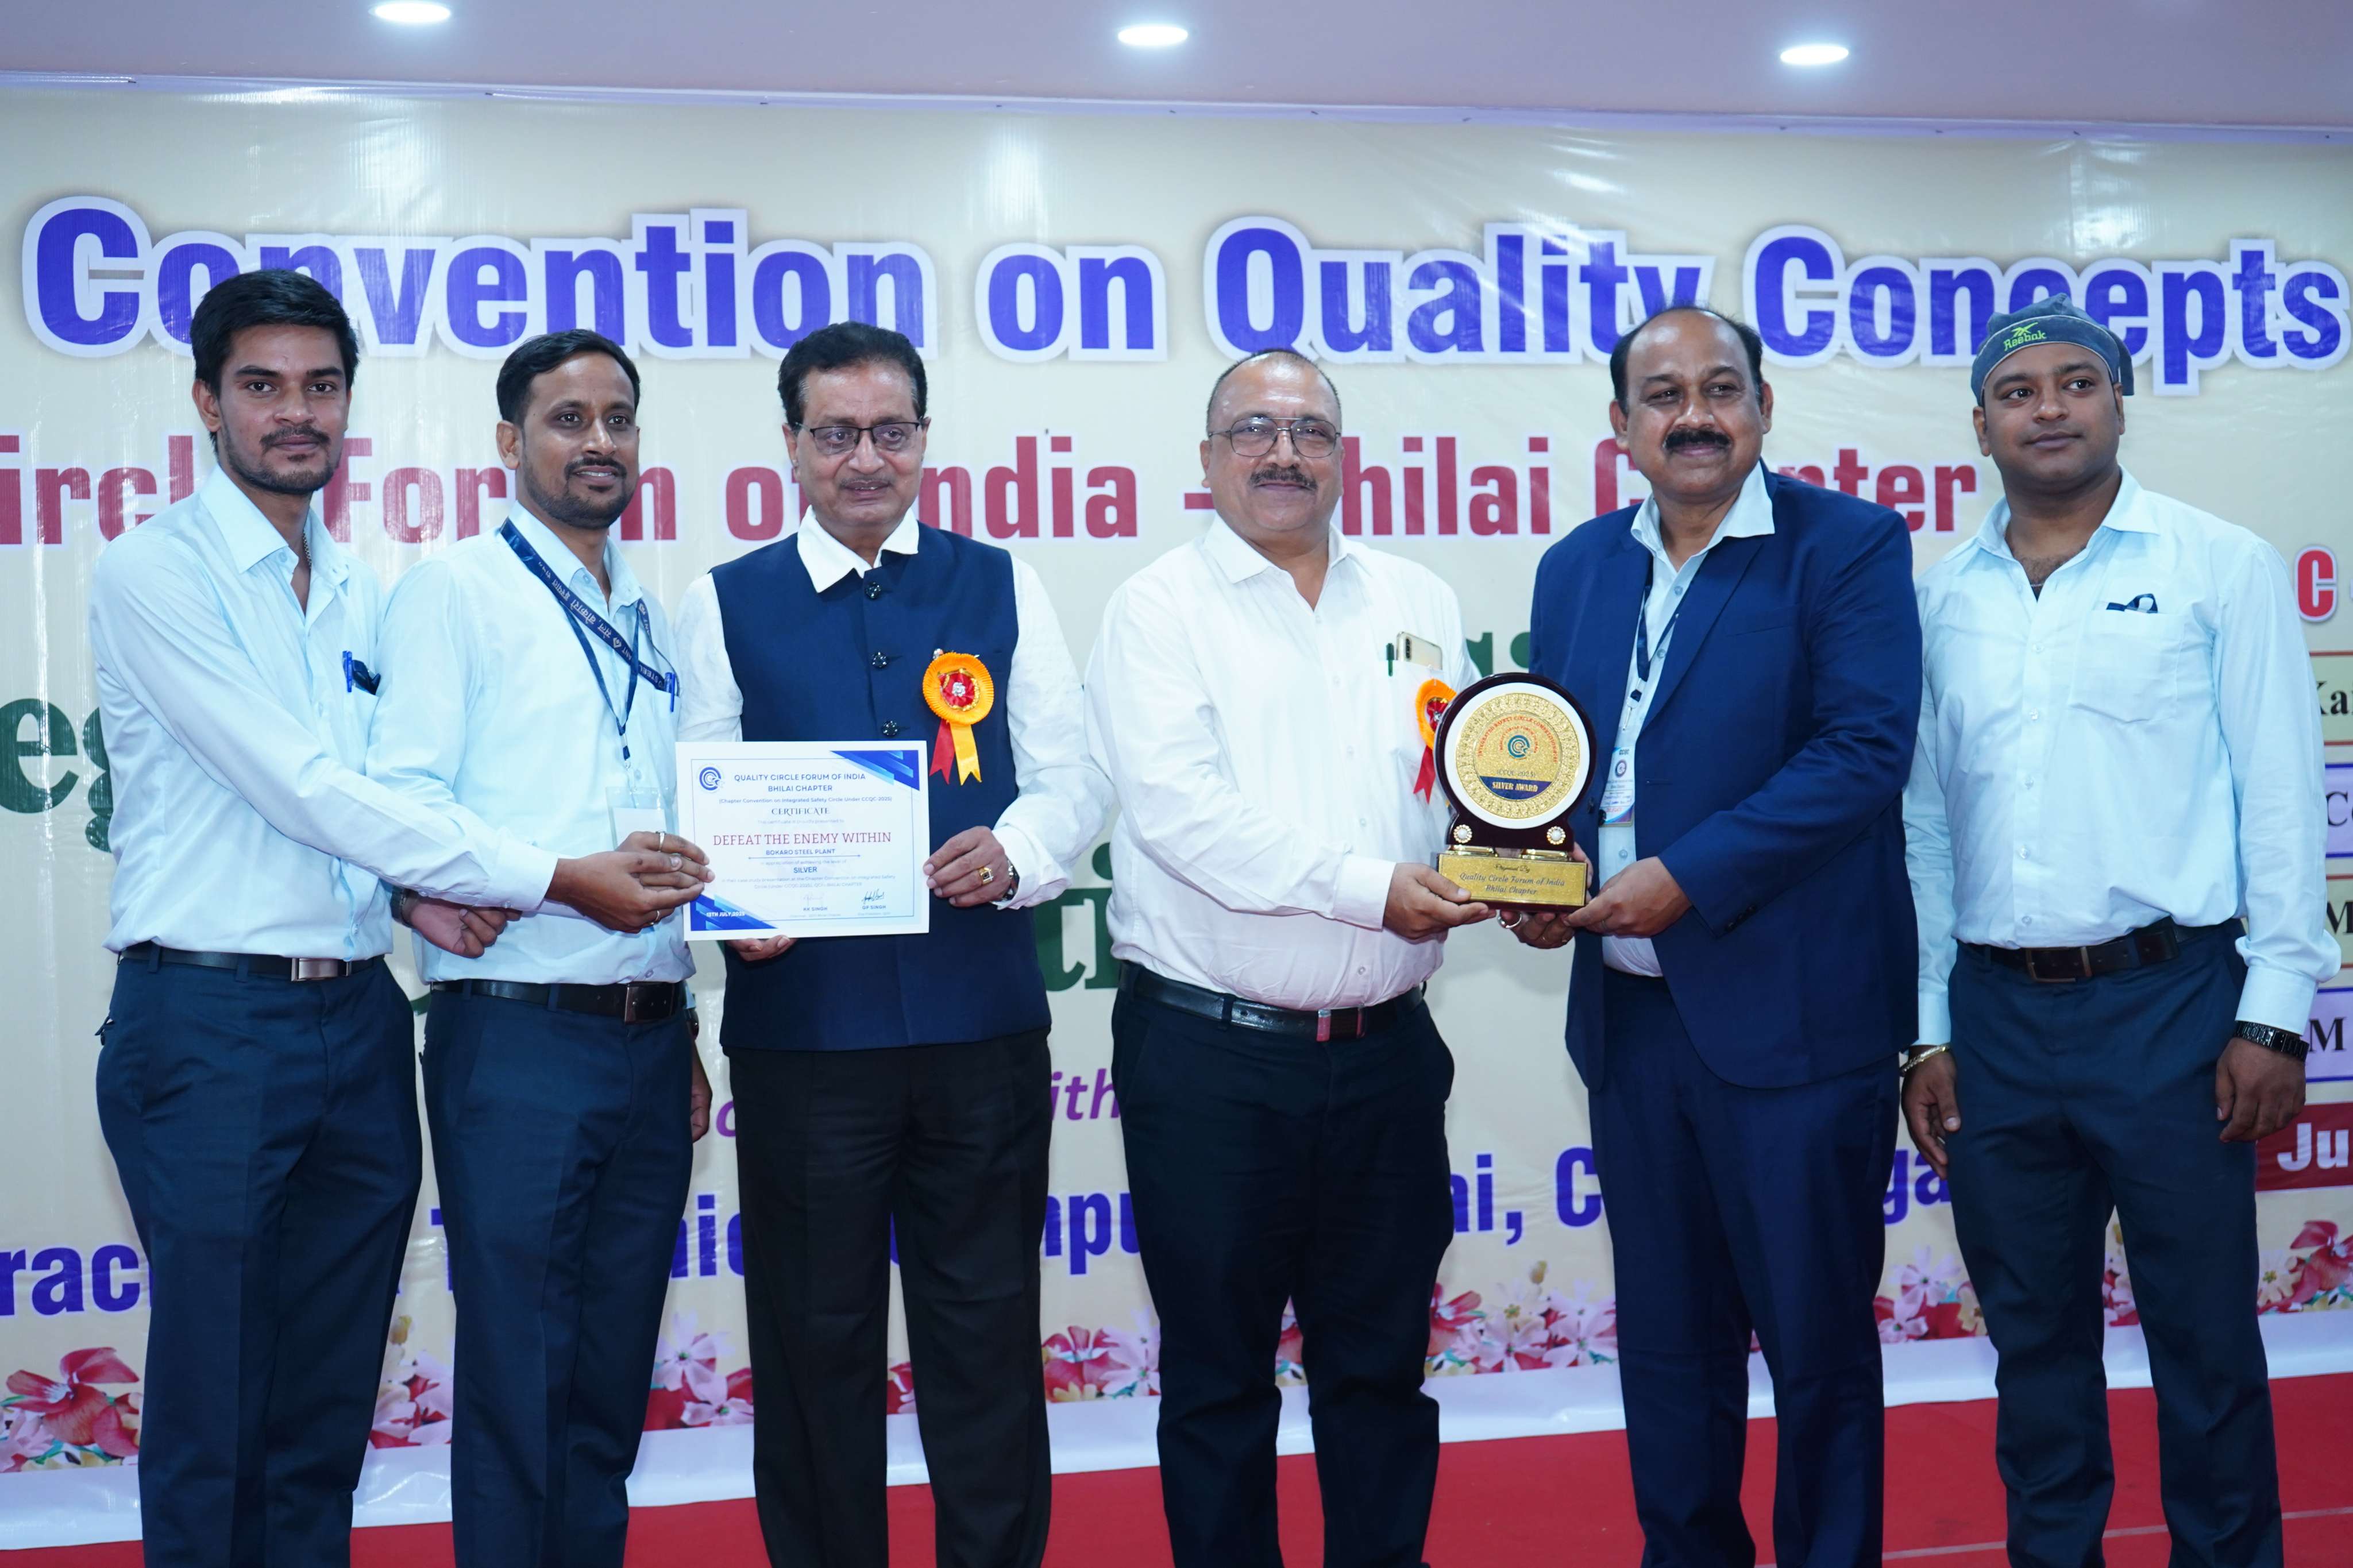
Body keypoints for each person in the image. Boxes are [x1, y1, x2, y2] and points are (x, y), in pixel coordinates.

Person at [87, 275, 703, 1568]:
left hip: (359, 1015)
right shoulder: (156, 570)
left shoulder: (364, 590)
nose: (295, 413)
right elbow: (302, 787)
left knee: (323, 1405)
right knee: (216, 1399)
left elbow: (377, 807)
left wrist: (419, 892)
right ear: (206, 400)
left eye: (321, 387)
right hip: (208, 1014)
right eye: (262, 386)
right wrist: (551, 877)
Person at [671, 320, 1110, 1568]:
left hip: (981, 1032)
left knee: (986, 1339)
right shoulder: (724, 599)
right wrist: (737, 901)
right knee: (813, 1347)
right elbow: (696, 788)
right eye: (836, 434)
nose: (865, 459)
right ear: (791, 445)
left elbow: (1074, 777)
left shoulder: (1000, 581)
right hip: (807, 1041)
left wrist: (1015, 852)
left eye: (890, 432)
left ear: (923, 438)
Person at [1901, 295, 2332, 1567]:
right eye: (2018, 390)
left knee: (2205, 1343)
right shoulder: (1936, 599)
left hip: (2172, 1009)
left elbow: (2279, 798)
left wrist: (2272, 1015)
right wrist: (1925, 1032)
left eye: (2076, 382)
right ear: (1978, 424)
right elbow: (1923, 831)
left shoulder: (2219, 566)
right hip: (1993, 1023)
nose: (2049, 408)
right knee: (2033, 1348)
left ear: (2118, 404)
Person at [1507, 306, 1921, 1568]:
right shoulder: (1576, 567)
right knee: (1669, 1352)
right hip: (1632, 1024)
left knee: (1816, 1354)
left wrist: (1683, 876)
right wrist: (1540, 879)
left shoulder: (1845, 546)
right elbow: (1556, 768)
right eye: (1663, 394)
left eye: (1720, 388)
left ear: (1762, 407)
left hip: (1796, 1026)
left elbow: (1862, 752)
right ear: (1619, 424)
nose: (1694, 415)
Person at [1085, 349, 1485, 1568]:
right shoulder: (1157, 609)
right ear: (1207, 459)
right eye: (1252, 430)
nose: (1282, 453)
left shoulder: (1418, 598)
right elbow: (1184, 818)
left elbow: (1470, 782)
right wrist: (1374, 891)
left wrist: (1518, 863)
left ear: (1341, 455)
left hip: (1387, 1061)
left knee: (1381, 1375)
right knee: (1218, 1386)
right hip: (1213, 1063)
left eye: (1309, 430)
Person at [365, 329, 715, 1567]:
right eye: (569, 419)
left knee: (608, 1379)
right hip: (515, 1035)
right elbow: (404, 803)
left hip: (645, 1034)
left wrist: (677, 1013)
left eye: (618, 417)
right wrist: (565, 880)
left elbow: (667, 840)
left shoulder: (649, 610)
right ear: (510, 442)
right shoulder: (454, 591)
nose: (599, 441)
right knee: (521, 1376)